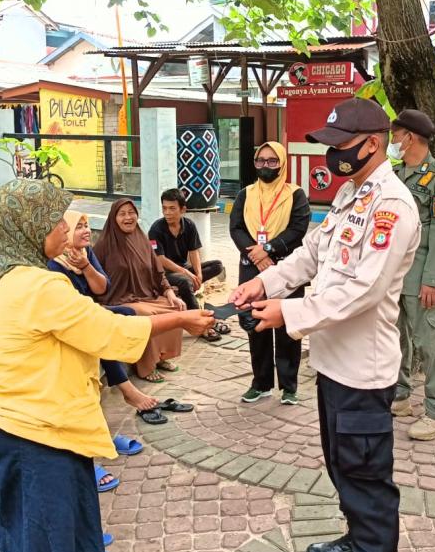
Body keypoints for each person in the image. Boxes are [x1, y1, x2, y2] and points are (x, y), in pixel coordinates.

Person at [0, 178, 214, 552]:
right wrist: (183, 319)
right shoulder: (38, 285)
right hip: (37, 437)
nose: (65, 229)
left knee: (39, 543)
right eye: (53, 221)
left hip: (11, 429)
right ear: (23, 227)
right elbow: (106, 331)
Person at [230, 98, 421, 552]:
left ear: (373, 144)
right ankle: (358, 538)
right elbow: (310, 255)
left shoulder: (391, 206)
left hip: (363, 369)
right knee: (341, 465)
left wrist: (286, 311)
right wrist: (264, 282)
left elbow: (364, 290)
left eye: (341, 146)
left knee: (365, 474)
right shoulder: (348, 196)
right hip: (332, 363)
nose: (330, 155)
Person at [388, 110, 435, 441]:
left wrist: (433, 280)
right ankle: (400, 396)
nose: (392, 142)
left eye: (395, 135)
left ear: (410, 138)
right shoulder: (397, 174)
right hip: (395, 275)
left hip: (422, 277)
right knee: (396, 339)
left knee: (432, 344)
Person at [49, 210, 161, 413]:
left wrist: (86, 267)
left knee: (130, 313)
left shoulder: (85, 253)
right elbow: (71, 304)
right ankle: (128, 390)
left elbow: (102, 287)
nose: (86, 231)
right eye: (79, 227)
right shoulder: (54, 263)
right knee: (99, 329)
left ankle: (141, 365)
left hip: (93, 307)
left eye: (86, 226)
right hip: (76, 315)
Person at [229, 141, 310, 405]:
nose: (266, 166)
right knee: (256, 326)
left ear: (282, 163)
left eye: (272, 161)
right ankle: (261, 383)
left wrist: (269, 250)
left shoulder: (295, 194)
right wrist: (257, 255)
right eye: (261, 161)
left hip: (287, 267)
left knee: (287, 326)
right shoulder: (246, 194)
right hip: (252, 268)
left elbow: (298, 229)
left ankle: (289, 387)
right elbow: (236, 227)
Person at [94, 198, 186, 382]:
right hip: (118, 300)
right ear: (114, 218)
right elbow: (95, 280)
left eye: (131, 213)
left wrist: (168, 292)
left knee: (176, 307)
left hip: (145, 295)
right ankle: (145, 367)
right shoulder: (104, 245)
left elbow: (157, 271)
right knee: (146, 316)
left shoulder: (142, 239)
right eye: (122, 214)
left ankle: (162, 357)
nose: (128, 217)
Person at [148, 188, 228, 342]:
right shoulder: (156, 229)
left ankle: (191, 288)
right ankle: (203, 324)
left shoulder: (189, 225)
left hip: (183, 270)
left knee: (217, 265)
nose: (167, 213)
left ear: (182, 209)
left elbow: (194, 252)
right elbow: (160, 259)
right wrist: (188, 274)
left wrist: (198, 274)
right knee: (185, 281)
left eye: (172, 208)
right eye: (164, 208)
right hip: (164, 274)